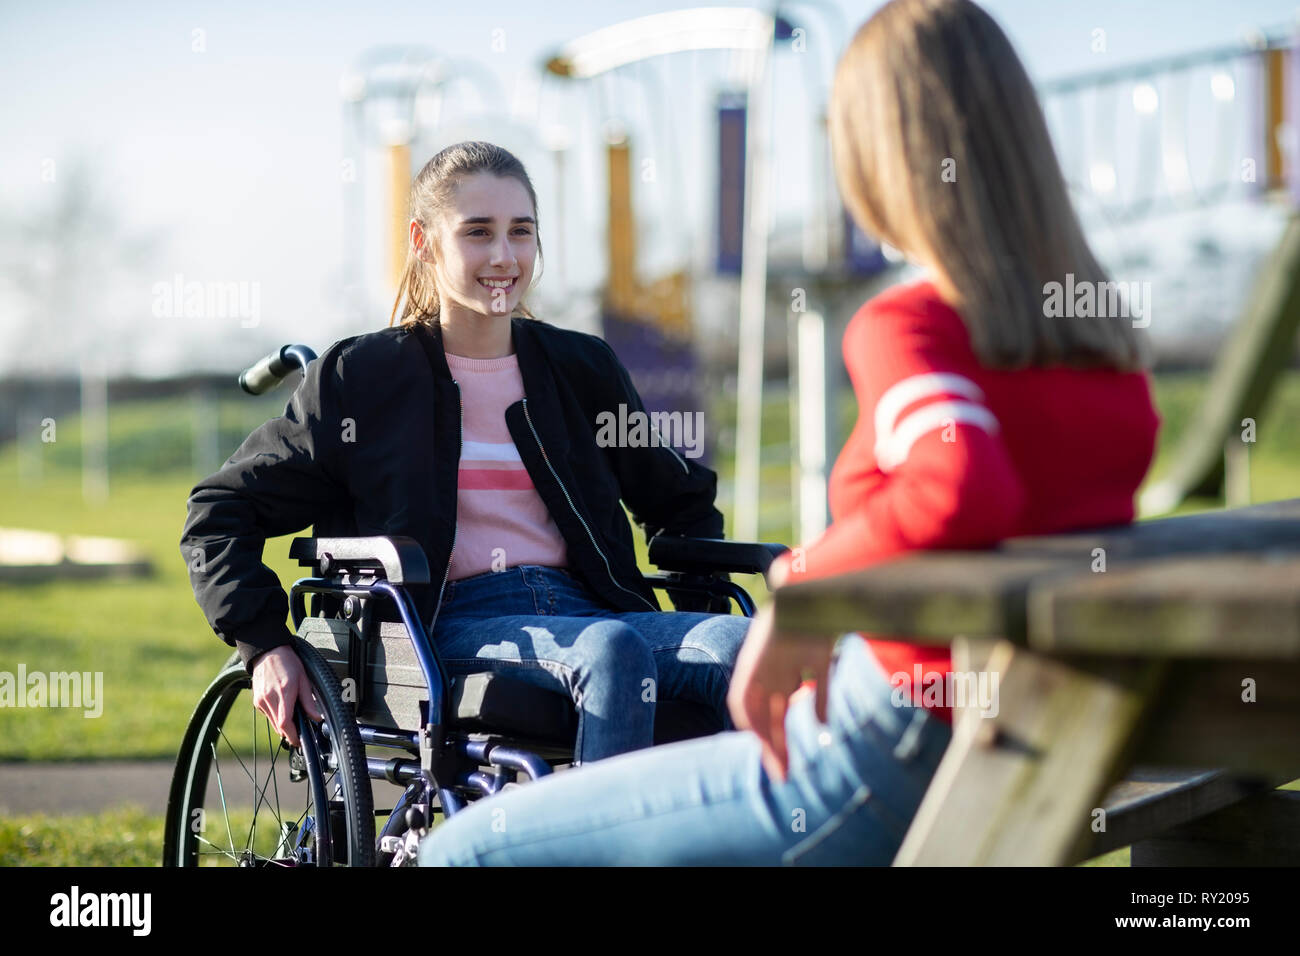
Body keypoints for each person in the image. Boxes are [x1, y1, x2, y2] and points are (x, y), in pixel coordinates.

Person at [416, 0, 1160, 865]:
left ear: (884, 159)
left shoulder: (911, 327)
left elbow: (961, 485)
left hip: (891, 746)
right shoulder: (1104, 349)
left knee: (462, 852)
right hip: (1045, 739)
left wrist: (806, 587)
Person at [179, 141, 749, 765]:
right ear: (423, 241)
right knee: (612, 651)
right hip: (441, 624)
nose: (504, 256)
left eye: (520, 232)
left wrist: (700, 610)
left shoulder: (581, 368)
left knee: (739, 643)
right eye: (478, 232)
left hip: (594, 608)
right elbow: (220, 510)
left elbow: (679, 498)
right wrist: (264, 643)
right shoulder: (364, 377)